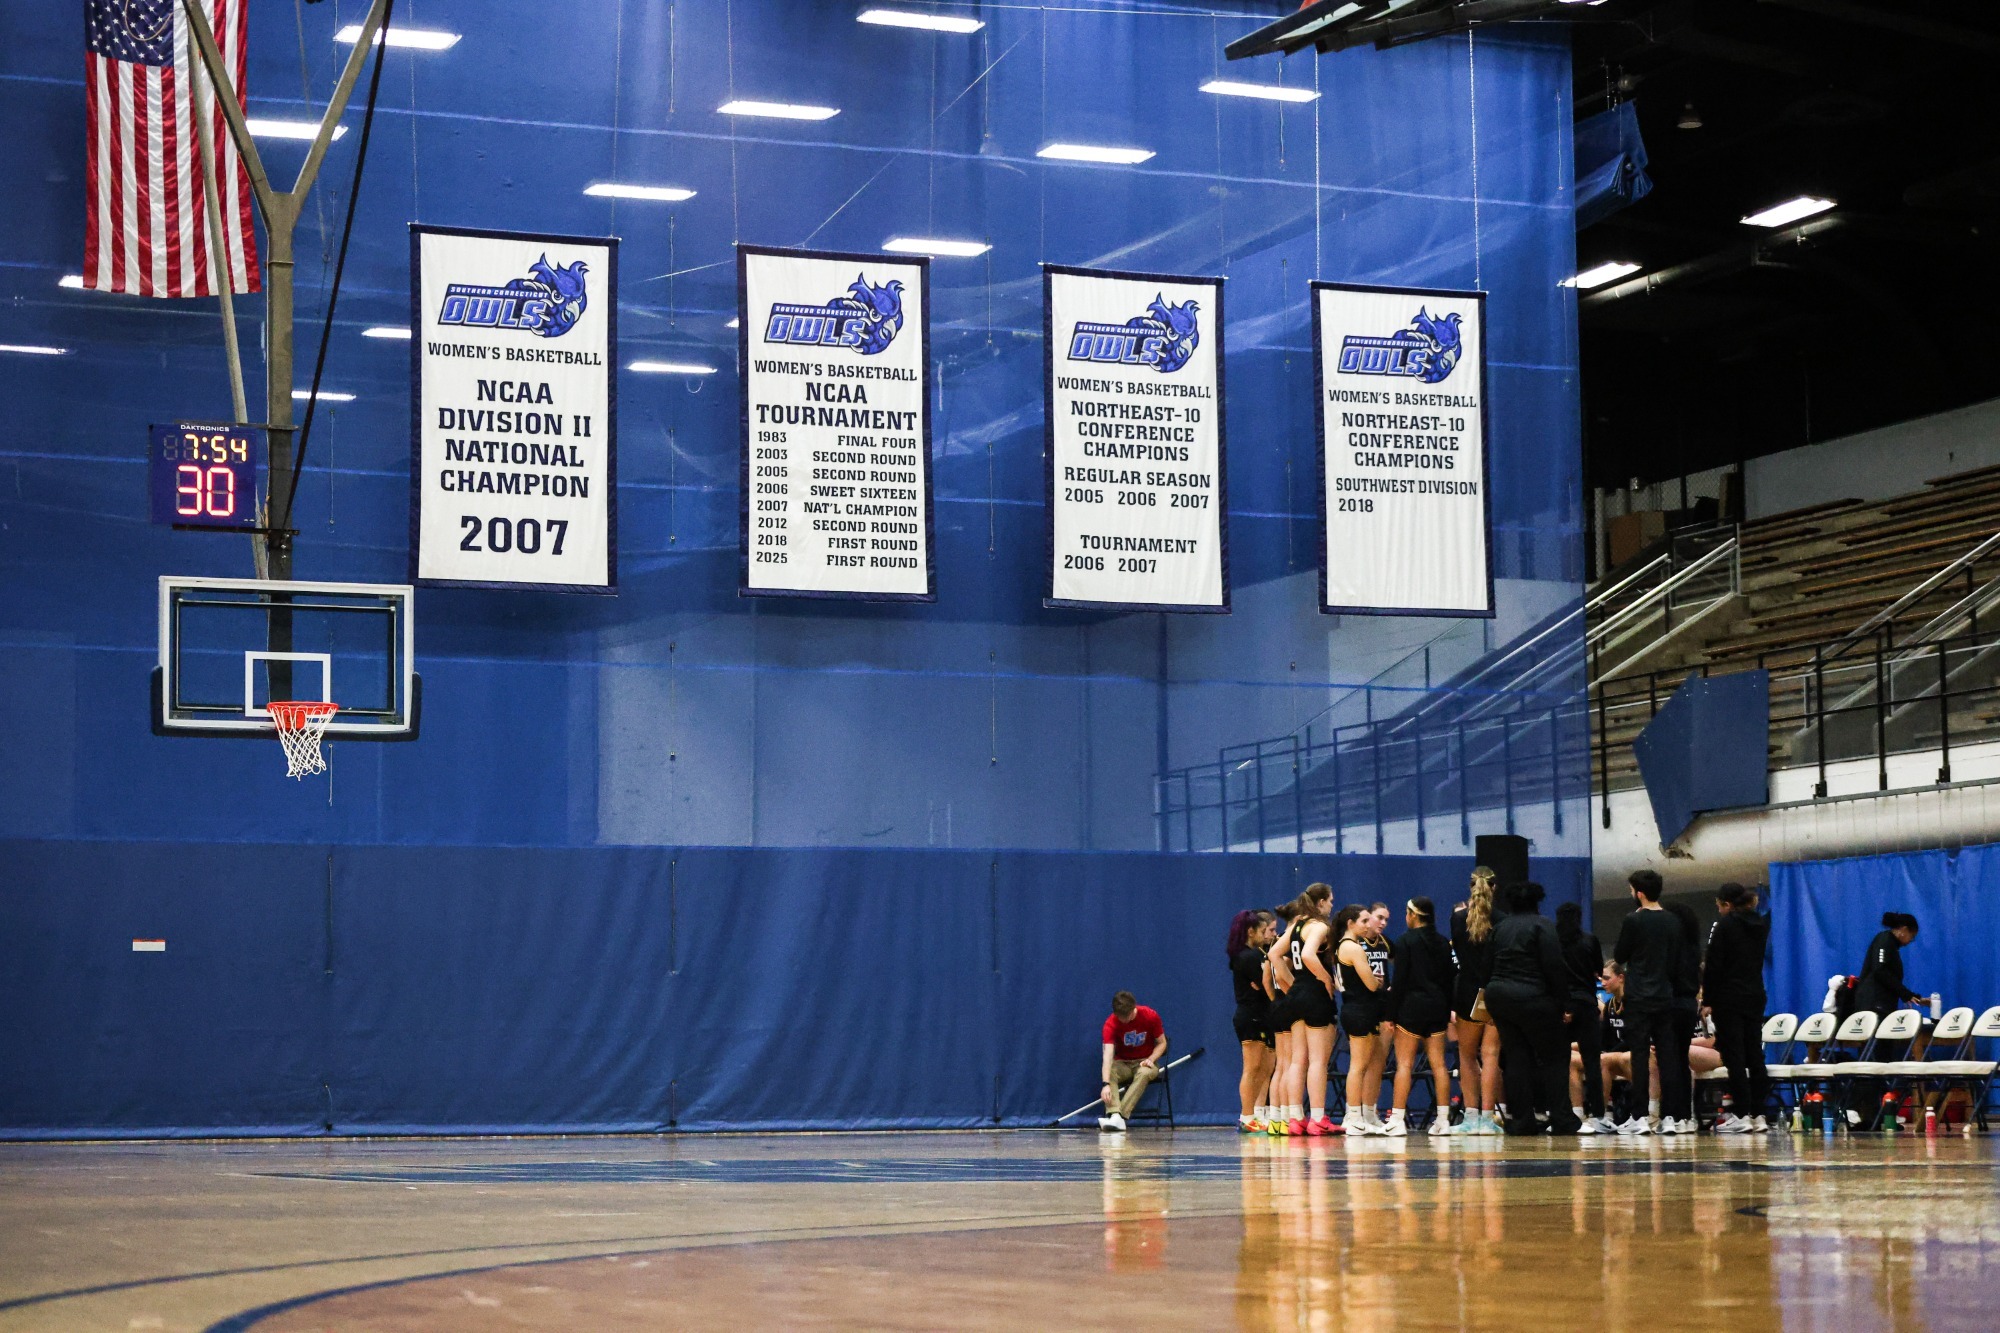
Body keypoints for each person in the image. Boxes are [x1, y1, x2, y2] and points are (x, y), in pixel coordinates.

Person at [1483, 882, 1580, 1135]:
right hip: (1534, 997)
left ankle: (1522, 1120)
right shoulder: (1543, 925)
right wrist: (1565, 1003)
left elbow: (1486, 966)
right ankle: (1561, 1117)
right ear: (1538, 901)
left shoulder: (1499, 928)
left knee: (1516, 1057)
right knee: (1555, 1057)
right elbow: (1554, 966)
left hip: (1500, 997)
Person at [1613, 869, 1690, 1134]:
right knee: (1668, 1057)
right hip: (1665, 995)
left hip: (1638, 996)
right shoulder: (1673, 921)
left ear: (1640, 893)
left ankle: (1640, 1116)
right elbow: (1675, 959)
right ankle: (1671, 1117)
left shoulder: (1633, 920)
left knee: (1640, 1056)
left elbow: (1620, 955)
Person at [1705, 884, 1772, 1133]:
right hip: (1755, 994)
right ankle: (1759, 1114)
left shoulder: (1724, 926)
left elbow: (1714, 964)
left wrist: (1708, 998)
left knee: (1734, 1055)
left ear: (1727, 904)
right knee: (1755, 1054)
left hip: (1728, 997)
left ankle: (1741, 1113)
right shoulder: (1761, 924)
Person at [1387, 896, 1456, 1137]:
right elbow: (1449, 980)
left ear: (1413, 915)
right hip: (1438, 1008)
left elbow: (1400, 980)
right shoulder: (1442, 942)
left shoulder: (1405, 941)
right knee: (1439, 1064)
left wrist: (1390, 1014)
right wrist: (1447, 1010)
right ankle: (1443, 1120)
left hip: (1411, 1008)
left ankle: (1397, 1120)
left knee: (1404, 1064)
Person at [1446, 867, 1504, 1134]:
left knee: (1467, 1056)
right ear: (1494, 887)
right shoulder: (1501, 919)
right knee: (1491, 1056)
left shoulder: (1457, 919)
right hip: (1493, 992)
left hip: (1467, 991)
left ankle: (1469, 1118)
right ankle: (1487, 1118)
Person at [1282, 888, 1341, 1135]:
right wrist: (1326, 979)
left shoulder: (1296, 926)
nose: (1332, 906)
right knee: (1318, 1060)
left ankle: (1295, 1118)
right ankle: (1318, 1118)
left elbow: (1275, 955)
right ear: (1321, 902)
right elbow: (1308, 955)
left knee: (1298, 1060)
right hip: (1315, 995)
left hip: (1297, 995)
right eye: (1330, 902)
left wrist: (1291, 984)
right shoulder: (1319, 927)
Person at [1555, 902, 1611, 1133]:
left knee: (1558, 1063)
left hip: (1561, 1006)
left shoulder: (1553, 942)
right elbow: (1598, 969)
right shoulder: (1589, 940)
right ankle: (1597, 1115)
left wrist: (1564, 1007)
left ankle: (1561, 1114)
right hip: (1587, 1004)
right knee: (1592, 1062)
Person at [1334, 906, 1389, 1135]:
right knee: (1358, 1065)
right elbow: (1371, 983)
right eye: (1364, 921)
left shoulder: (1343, 947)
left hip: (1362, 1009)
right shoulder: (1352, 948)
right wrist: (1377, 981)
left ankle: (1367, 1113)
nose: (1368, 925)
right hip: (1358, 1010)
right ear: (1350, 923)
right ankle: (1353, 1115)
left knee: (1371, 1063)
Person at [1228, 910, 1279, 1133]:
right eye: (1265, 931)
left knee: (1267, 1068)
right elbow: (1266, 984)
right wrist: (1266, 981)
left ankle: (1259, 1112)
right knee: (1252, 1067)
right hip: (1250, 1016)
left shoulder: (1258, 954)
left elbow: (1267, 983)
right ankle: (1246, 1116)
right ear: (1251, 932)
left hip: (1264, 1015)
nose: (1270, 936)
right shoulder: (1247, 956)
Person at [1663, 898, 1704, 1130]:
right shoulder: (1693, 949)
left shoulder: (1670, 947)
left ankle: (1672, 1114)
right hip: (1689, 1006)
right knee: (1681, 1059)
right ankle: (1685, 1116)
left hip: (1670, 1004)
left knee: (1669, 1060)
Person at [1099, 992, 1167, 1132]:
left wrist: (1151, 1059)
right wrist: (1105, 1084)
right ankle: (1114, 1113)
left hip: (1145, 1061)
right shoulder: (1111, 1023)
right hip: (1123, 1063)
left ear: (1133, 1009)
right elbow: (1108, 1055)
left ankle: (1119, 1117)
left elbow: (1162, 1043)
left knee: (1144, 1073)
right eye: (1119, 1017)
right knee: (1110, 1071)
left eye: (1126, 1017)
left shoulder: (1150, 1015)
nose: (1123, 1020)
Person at [1854, 912, 1923, 1015]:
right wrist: (1905, 994)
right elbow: (1879, 970)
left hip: (1882, 1004)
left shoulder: (1892, 945)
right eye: (1912, 936)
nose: (1910, 940)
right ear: (1904, 930)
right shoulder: (1884, 940)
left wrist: (1910, 996)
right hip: (1873, 1004)